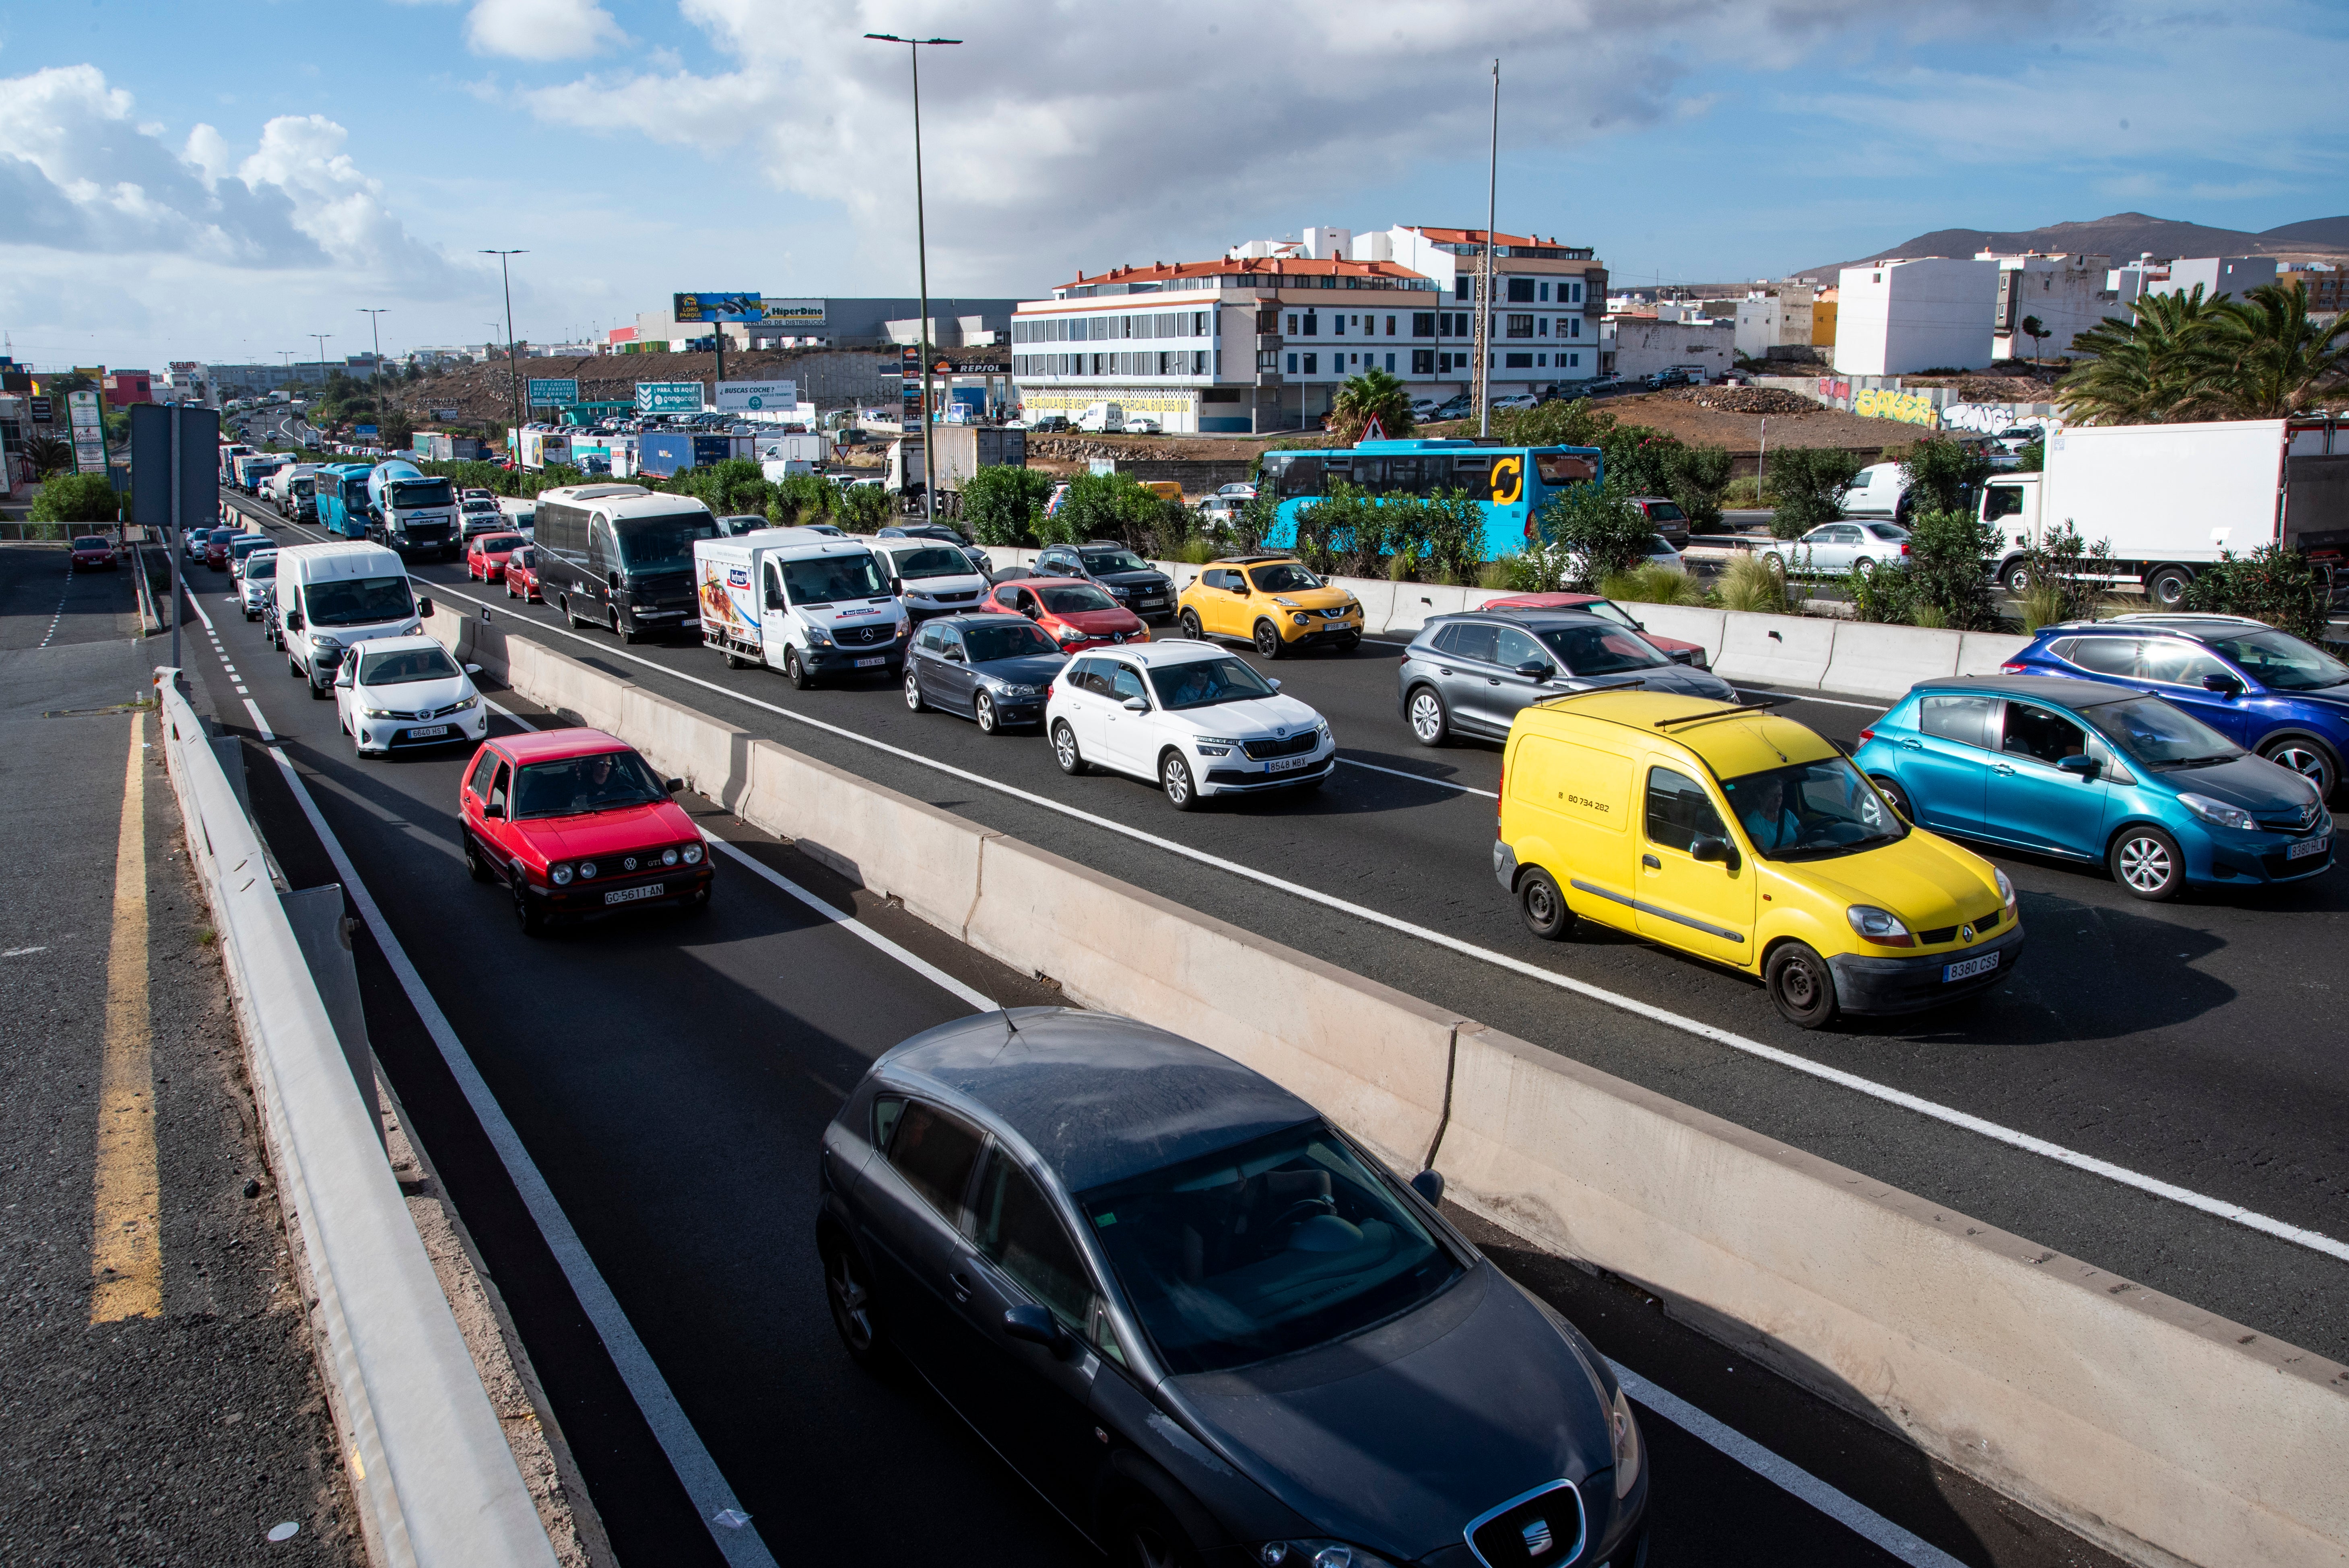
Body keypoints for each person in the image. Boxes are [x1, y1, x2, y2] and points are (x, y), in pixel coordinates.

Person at [1737, 774, 1800, 853]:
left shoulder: (1786, 814)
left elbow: (1802, 834)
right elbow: (1761, 853)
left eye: (1780, 795)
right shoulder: (1753, 822)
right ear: (1761, 797)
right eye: (1773, 796)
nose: (1778, 800)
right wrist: (1792, 847)